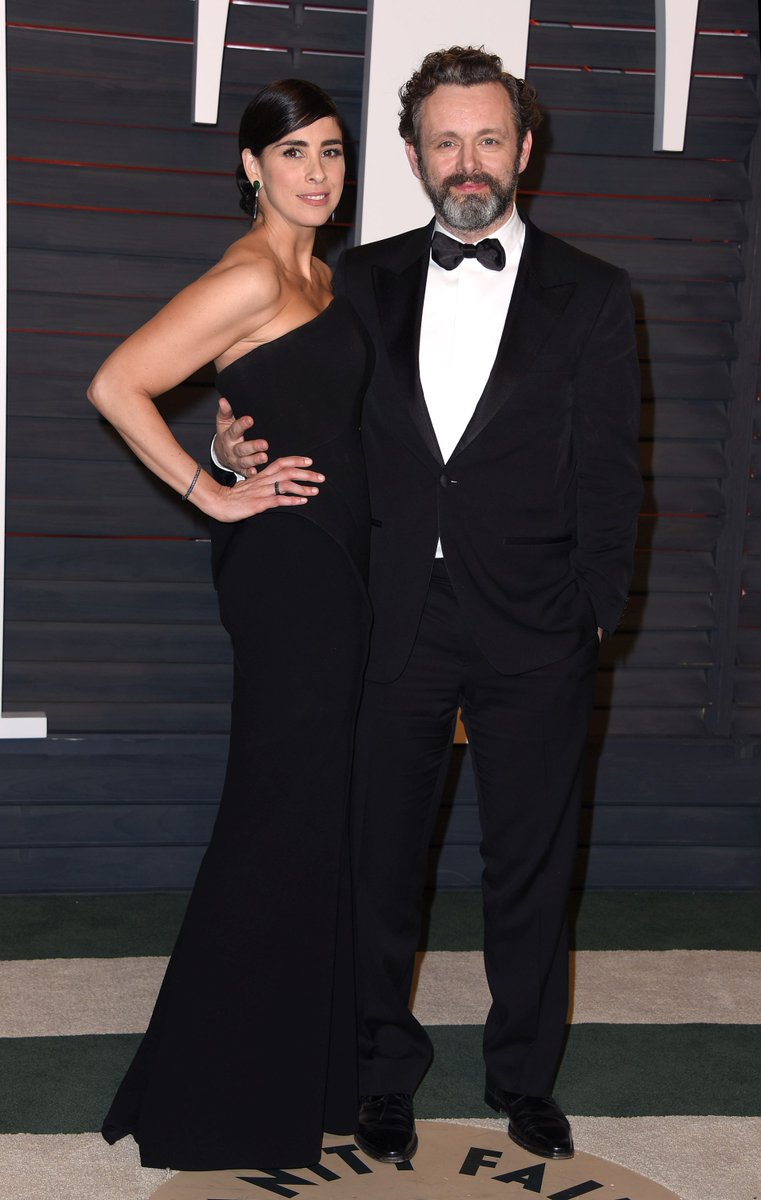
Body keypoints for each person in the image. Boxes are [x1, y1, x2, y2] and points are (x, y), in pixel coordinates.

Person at [213, 47, 642, 1166]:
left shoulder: (594, 296)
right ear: (411, 157)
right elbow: (293, 404)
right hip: (386, 616)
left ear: (523, 151)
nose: (467, 162)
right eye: (443, 141)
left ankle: (522, 1080)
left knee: (531, 871)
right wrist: (227, 442)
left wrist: (593, 609)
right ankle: (378, 1077)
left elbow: (611, 475)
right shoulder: (355, 281)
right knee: (377, 863)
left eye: (487, 138)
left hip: (535, 625)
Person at [88, 79, 372, 1171]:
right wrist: (209, 491)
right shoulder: (250, 275)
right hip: (289, 578)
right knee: (277, 819)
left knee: (319, 822)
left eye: (332, 152)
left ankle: (306, 1070)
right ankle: (218, 1097)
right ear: (250, 167)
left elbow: (282, 411)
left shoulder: (323, 275)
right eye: (292, 152)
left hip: (339, 570)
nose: (315, 171)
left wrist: (223, 448)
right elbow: (118, 383)